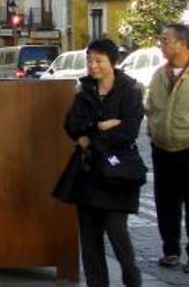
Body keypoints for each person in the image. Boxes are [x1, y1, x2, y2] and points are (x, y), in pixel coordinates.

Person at [62, 38, 144, 287]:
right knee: (89, 235)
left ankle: (132, 279)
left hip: (118, 172)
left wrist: (93, 137)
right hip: (89, 171)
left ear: (113, 62)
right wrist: (101, 126)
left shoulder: (129, 90)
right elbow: (72, 125)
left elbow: (129, 130)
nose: (93, 66)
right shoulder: (84, 90)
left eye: (98, 60)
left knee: (117, 230)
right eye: (89, 60)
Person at [146, 23, 189, 272]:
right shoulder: (159, 74)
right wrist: (153, 130)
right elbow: (150, 106)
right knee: (165, 202)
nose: (160, 45)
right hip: (162, 148)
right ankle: (170, 249)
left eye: (165, 40)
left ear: (182, 44)